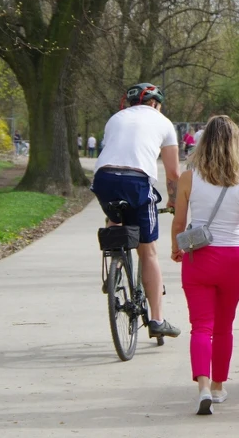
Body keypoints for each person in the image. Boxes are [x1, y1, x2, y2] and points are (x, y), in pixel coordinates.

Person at [170, 115, 239, 415]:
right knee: (224, 327)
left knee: (201, 326)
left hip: (199, 257)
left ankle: (201, 387)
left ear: (204, 142)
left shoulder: (188, 178)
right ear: (236, 144)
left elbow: (178, 221)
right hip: (233, 259)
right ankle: (218, 387)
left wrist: (176, 247)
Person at [91, 83, 182, 339]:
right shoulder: (163, 122)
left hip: (103, 178)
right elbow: (173, 173)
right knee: (148, 251)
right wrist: (174, 201)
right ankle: (157, 319)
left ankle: (115, 266)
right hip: (137, 180)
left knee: (115, 212)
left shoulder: (115, 119)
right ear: (155, 103)